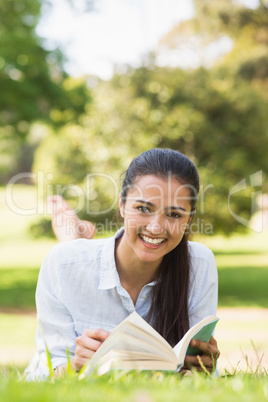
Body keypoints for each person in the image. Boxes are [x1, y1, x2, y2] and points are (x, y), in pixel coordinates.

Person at [25, 148, 220, 380]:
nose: (156, 227)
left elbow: (196, 374)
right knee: (72, 258)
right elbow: (49, 374)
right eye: (143, 209)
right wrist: (76, 365)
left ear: (190, 218)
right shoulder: (62, 264)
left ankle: (76, 239)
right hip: (76, 264)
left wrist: (202, 367)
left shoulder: (199, 263)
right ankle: (74, 241)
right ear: (121, 204)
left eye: (175, 215)